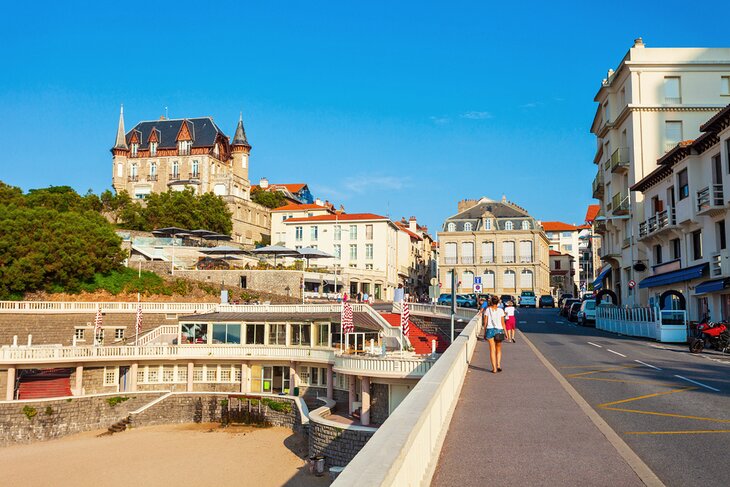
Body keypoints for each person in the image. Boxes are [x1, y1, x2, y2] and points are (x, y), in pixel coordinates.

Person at [484, 295, 506, 373]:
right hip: (499, 330)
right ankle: (498, 365)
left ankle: (494, 369)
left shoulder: (488, 310)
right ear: (498, 302)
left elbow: (485, 322)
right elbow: (503, 323)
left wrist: (484, 332)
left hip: (490, 330)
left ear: (491, 301)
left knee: (492, 350)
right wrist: (505, 332)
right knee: (499, 349)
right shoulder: (501, 311)